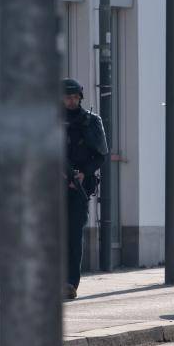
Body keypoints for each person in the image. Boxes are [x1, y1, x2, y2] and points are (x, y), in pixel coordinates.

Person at [63, 78, 108, 301]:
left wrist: (82, 173)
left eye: (74, 97)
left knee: (73, 234)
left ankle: (70, 282)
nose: (71, 101)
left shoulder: (91, 121)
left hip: (79, 185)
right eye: (67, 97)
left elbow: (100, 155)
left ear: (80, 97)